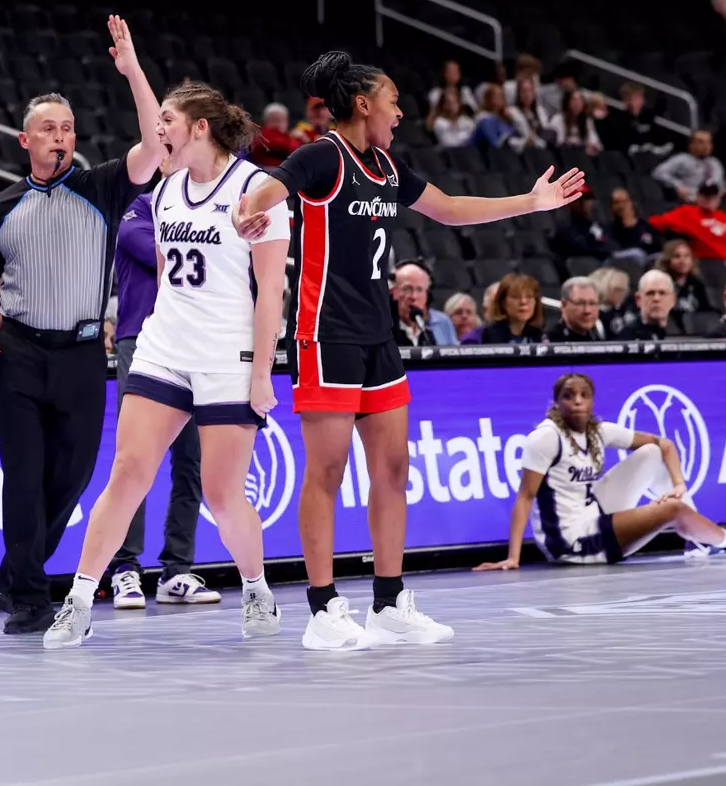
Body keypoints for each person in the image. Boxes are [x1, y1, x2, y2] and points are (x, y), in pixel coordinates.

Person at [235, 50, 582, 650]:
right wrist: (249, 209)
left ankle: (389, 603)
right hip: (326, 333)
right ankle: (322, 608)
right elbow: (271, 186)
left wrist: (531, 202)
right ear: (363, 103)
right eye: (393, 101)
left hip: (379, 336)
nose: (399, 113)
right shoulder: (323, 156)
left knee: (393, 471)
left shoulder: (388, 168)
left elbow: (449, 209)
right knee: (327, 472)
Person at [44, 80, 289, 648]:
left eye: (167, 123)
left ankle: (256, 588)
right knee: (127, 473)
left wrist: (261, 373)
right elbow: (165, 275)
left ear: (200, 128)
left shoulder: (257, 190)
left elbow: (271, 291)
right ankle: (79, 600)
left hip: (226, 354)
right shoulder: (165, 190)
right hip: (164, 348)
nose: (158, 133)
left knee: (222, 495)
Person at [0, 15, 163, 636]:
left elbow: (156, 146)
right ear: (24, 140)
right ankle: (29, 596)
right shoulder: (1, 207)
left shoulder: (102, 187)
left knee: (72, 479)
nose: (61, 136)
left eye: (68, 127)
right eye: (49, 129)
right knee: (23, 478)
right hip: (19, 353)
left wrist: (131, 70)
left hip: (80, 355)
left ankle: (12, 574)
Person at [476, 373, 726, 573]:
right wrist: (513, 557)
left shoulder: (598, 430)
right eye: (569, 396)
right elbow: (525, 497)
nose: (577, 401)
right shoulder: (545, 438)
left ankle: (698, 541)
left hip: (592, 513)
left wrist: (679, 484)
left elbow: (665, 444)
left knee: (651, 453)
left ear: (592, 401)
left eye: (584, 395)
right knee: (673, 510)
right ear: (556, 404)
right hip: (571, 541)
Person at [97, 165, 211, 609]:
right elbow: (177, 259)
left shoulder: (209, 213)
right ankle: (125, 567)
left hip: (196, 344)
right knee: (136, 460)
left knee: (192, 462)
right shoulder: (138, 209)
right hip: (141, 341)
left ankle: (177, 570)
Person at [651, 129, 726, 203]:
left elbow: (719, 182)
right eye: (701, 142)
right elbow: (658, 173)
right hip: (690, 200)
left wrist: (722, 190)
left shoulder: (715, 163)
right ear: (691, 145)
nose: (706, 146)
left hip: (711, 203)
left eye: (709, 142)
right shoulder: (682, 159)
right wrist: (678, 185)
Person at [391, 261, 457, 347]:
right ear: (394, 292)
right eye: (407, 289)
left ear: (427, 295)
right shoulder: (379, 328)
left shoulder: (442, 323)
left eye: (419, 290)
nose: (414, 296)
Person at [656, 239, 712, 327]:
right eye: (677, 256)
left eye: (686, 256)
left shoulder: (697, 284)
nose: (682, 261)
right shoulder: (659, 283)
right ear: (667, 260)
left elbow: (705, 311)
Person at [595, 82, 664, 155]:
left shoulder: (648, 116)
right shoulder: (616, 120)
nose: (641, 101)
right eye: (636, 98)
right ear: (626, 101)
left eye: (641, 98)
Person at [480, 272, 546, 344]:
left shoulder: (538, 334)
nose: (523, 302)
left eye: (529, 296)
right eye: (515, 297)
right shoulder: (492, 333)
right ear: (503, 302)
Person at [551, 187, 613, 261]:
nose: (589, 202)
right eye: (582, 199)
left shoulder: (599, 225)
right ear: (572, 203)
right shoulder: (566, 232)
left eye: (589, 198)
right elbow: (583, 249)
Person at [617, 268, 677, 341]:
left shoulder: (684, 329)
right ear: (638, 299)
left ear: (673, 299)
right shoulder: (626, 337)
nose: (656, 299)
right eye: (650, 293)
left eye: (662, 293)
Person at [606, 187, 661, 263]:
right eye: (617, 202)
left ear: (631, 203)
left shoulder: (645, 226)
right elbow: (615, 251)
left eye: (625, 201)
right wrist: (627, 225)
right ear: (612, 207)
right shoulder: (609, 229)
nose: (621, 206)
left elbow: (657, 248)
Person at [545, 277, 607, 342]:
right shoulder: (551, 342)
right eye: (580, 303)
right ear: (564, 305)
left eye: (592, 303)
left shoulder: (602, 335)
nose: (587, 310)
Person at [510, 74, 559, 148]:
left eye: (530, 91)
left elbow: (545, 129)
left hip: (540, 146)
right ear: (519, 94)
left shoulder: (540, 110)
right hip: (525, 147)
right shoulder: (513, 112)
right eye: (524, 91)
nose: (527, 95)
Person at [250, 102, 300, 168]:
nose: (278, 124)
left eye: (281, 120)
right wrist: (295, 140)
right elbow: (286, 146)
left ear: (287, 122)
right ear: (265, 121)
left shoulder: (289, 136)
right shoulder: (263, 135)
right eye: (274, 120)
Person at [588, 265, 634, 337]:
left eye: (624, 290)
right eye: (617, 289)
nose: (622, 294)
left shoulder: (625, 310)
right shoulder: (593, 313)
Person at [556, 90, 602, 155]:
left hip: (582, 155)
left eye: (580, 100)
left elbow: (594, 141)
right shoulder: (559, 118)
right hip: (564, 154)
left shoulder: (587, 121)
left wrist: (592, 146)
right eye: (574, 100)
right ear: (568, 102)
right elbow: (558, 142)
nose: (577, 103)